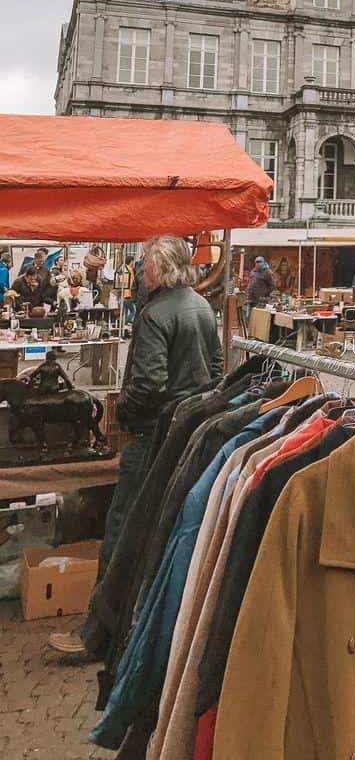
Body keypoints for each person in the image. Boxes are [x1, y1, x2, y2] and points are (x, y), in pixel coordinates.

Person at [49, 234, 222, 657]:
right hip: (187, 436)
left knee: (122, 536)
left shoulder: (156, 314)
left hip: (153, 437)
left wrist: (123, 412)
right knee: (162, 536)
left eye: (145, 262)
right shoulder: (201, 307)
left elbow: (148, 385)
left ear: (160, 268)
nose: (141, 268)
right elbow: (217, 371)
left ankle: (97, 636)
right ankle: (139, 636)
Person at [245, 255, 275, 323]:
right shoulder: (253, 271)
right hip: (251, 298)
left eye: (260, 262)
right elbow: (250, 282)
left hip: (261, 300)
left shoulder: (268, 272)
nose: (258, 263)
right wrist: (247, 291)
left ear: (263, 262)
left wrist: (264, 294)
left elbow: (272, 286)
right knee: (251, 317)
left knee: (259, 318)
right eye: (257, 262)